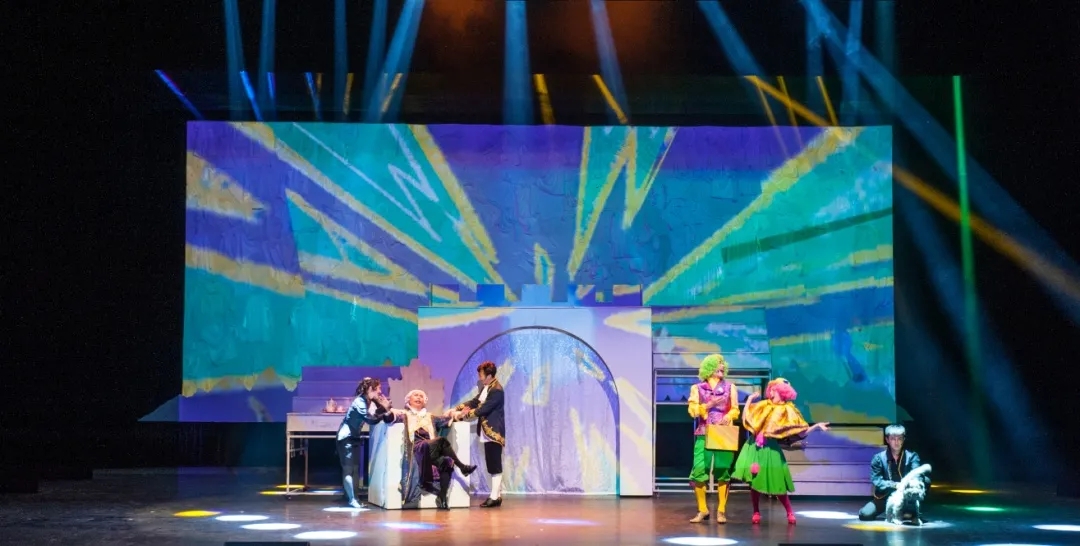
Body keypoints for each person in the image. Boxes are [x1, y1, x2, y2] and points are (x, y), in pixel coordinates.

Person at [732, 378, 830, 525]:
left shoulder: (788, 409)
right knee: (755, 481)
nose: (770, 391)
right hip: (754, 446)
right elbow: (746, 418)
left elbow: (801, 431)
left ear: (780, 391)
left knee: (778, 480)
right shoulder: (764, 404)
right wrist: (749, 400)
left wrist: (816, 426)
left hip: (771, 447)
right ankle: (756, 511)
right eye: (770, 388)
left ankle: (789, 512)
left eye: (773, 388)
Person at [391, 389, 477, 509]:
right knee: (440, 440)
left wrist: (460, 415)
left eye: (421, 396)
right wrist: (386, 410)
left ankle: (442, 497)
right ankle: (462, 467)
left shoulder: (430, 417)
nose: (419, 397)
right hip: (416, 449)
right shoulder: (404, 414)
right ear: (408, 400)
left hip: (430, 450)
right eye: (416, 395)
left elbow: (445, 419)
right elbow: (390, 417)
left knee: (447, 461)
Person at [687, 354, 740, 524]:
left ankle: (721, 510)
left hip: (723, 433)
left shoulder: (730, 387)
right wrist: (707, 406)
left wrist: (728, 416)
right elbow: (692, 410)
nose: (722, 366)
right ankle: (703, 510)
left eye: (723, 364)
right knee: (698, 471)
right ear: (709, 367)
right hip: (703, 433)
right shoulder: (697, 388)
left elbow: (735, 409)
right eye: (718, 364)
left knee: (723, 471)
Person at [447, 360, 505, 508]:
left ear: (489, 375)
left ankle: (494, 497)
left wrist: (462, 415)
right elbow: (474, 402)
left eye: (481, 375)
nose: (480, 377)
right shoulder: (487, 388)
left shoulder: (496, 390)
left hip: (494, 431)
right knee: (491, 463)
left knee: (494, 464)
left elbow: (482, 409)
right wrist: (457, 408)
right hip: (487, 431)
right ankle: (497, 495)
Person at [336, 377, 394, 508]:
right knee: (349, 469)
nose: (380, 391)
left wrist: (383, 407)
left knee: (355, 469)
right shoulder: (359, 401)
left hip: (354, 437)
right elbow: (370, 419)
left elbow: (380, 415)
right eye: (378, 388)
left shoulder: (369, 401)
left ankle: (353, 498)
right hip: (346, 437)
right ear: (370, 389)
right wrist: (383, 408)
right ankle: (352, 499)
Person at [858, 424, 930, 521]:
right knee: (865, 514)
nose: (896, 442)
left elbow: (917, 475)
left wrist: (908, 484)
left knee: (925, 480)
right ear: (887, 440)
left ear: (903, 439)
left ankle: (910, 509)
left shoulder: (912, 456)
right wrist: (895, 485)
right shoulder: (878, 458)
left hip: (905, 496)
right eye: (893, 439)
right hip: (885, 497)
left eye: (899, 438)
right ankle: (896, 511)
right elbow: (877, 480)